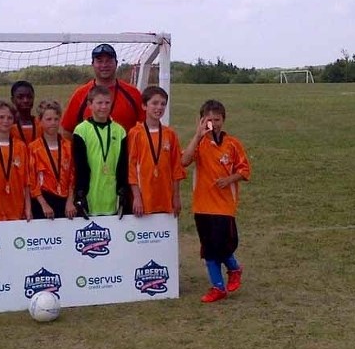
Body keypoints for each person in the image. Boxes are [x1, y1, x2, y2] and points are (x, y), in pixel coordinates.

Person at [181, 99, 251, 303]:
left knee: (222, 246)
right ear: (202, 121)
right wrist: (197, 134)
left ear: (224, 120)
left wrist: (229, 179)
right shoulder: (200, 142)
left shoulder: (233, 144)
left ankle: (234, 268)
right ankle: (218, 287)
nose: (214, 123)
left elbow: (244, 170)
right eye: (209, 120)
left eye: (217, 119)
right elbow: (184, 161)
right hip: (202, 205)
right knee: (208, 249)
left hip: (224, 207)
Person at [61, 43, 144, 137]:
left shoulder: (133, 93)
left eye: (108, 61)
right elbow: (67, 131)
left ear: (116, 63)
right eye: (99, 61)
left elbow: (146, 127)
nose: (104, 65)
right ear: (92, 64)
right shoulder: (80, 95)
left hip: (126, 151)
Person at [128, 86, 186, 217]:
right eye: (154, 103)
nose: (159, 107)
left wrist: (176, 196)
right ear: (144, 106)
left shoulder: (170, 134)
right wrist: (136, 197)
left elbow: (176, 167)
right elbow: (131, 167)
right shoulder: (135, 133)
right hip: (144, 199)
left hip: (165, 197)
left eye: (163, 104)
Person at [72, 85, 129, 217]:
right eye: (99, 103)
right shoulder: (81, 130)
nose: (104, 107)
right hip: (90, 195)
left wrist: (123, 190)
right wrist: (80, 193)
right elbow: (79, 166)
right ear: (89, 105)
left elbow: (123, 165)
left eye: (107, 103)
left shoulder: (120, 131)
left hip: (112, 196)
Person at [0, 100, 32, 223]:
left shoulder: (21, 146)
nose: (5, 121)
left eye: (9, 117)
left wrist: (28, 208)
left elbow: (26, 181)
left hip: (17, 206)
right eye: (1, 117)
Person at [28, 99, 76, 219]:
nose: (53, 123)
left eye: (56, 119)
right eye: (48, 119)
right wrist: (43, 204)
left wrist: (70, 201)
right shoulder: (33, 148)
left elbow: (72, 176)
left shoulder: (68, 146)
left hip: (66, 203)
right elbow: (32, 180)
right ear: (40, 121)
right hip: (43, 202)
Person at [9, 80, 40, 144]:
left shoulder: (41, 124)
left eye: (29, 97)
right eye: (20, 97)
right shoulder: (7, 125)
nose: (25, 100)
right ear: (12, 100)